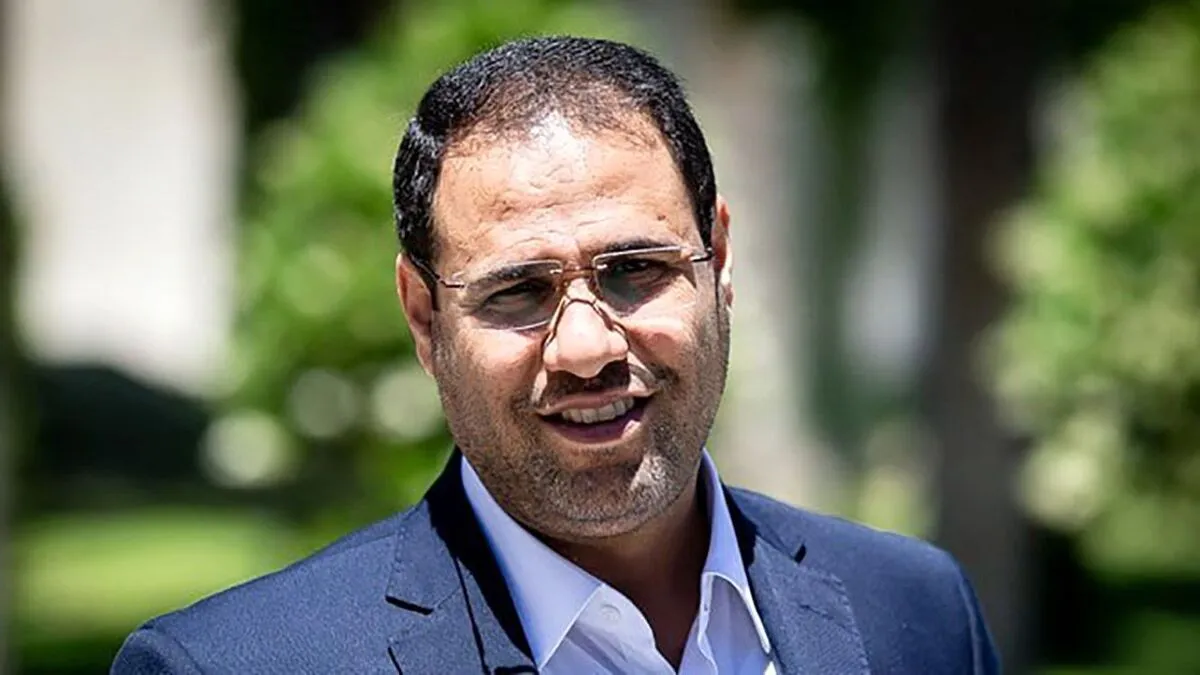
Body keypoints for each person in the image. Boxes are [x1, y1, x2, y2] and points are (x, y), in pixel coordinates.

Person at [112, 36, 999, 674]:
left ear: (719, 262)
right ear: (423, 317)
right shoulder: (232, 664)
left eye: (635, 270)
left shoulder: (917, 614)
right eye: (517, 291)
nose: (585, 347)